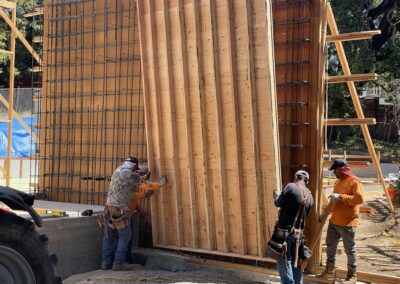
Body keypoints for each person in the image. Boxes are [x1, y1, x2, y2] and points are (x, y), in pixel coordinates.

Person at [100, 157, 166, 271]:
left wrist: (143, 180)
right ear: (135, 167)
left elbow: (135, 188)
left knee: (109, 238)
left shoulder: (117, 171)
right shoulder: (132, 175)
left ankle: (106, 263)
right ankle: (119, 263)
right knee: (124, 237)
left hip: (108, 210)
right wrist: (161, 181)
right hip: (119, 211)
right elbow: (149, 185)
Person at [318, 158, 364, 284]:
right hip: (334, 221)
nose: (334, 173)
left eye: (335, 170)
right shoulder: (337, 182)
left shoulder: (354, 182)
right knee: (330, 246)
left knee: (349, 249)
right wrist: (325, 212)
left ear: (341, 169)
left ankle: (352, 276)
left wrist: (341, 196)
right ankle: (329, 271)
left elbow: (359, 199)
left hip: (348, 223)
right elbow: (334, 201)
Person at [273, 170, 314, 284]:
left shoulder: (290, 186)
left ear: (296, 177)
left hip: (283, 233)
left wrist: (278, 196)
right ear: (307, 181)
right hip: (298, 236)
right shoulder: (310, 197)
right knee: (296, 262)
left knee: (284, 261)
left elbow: (278, 203)